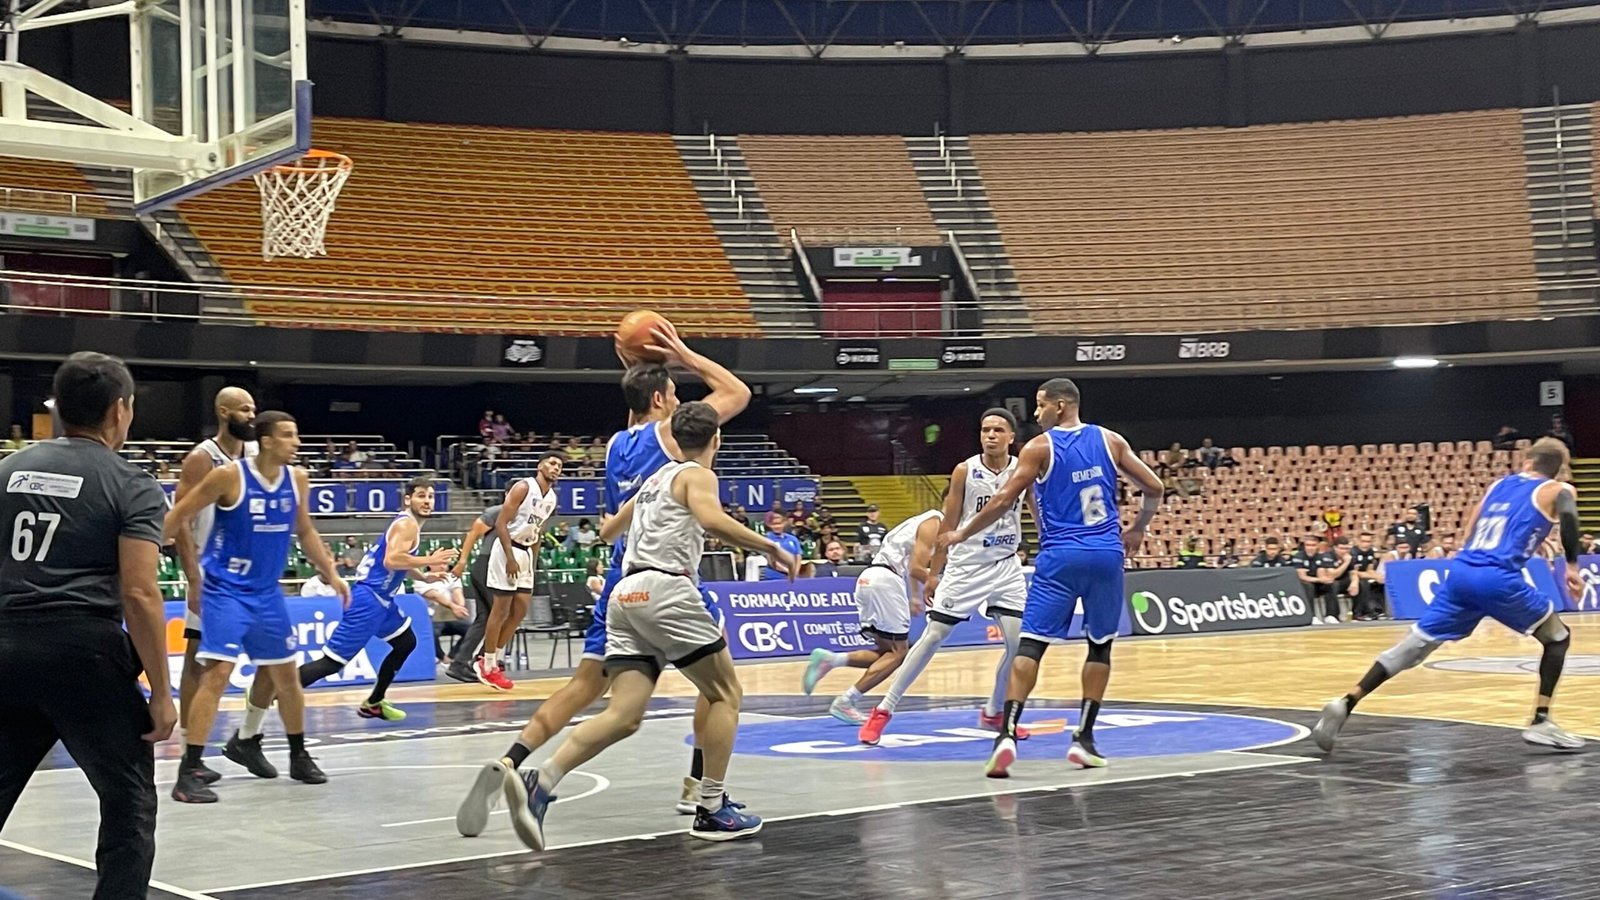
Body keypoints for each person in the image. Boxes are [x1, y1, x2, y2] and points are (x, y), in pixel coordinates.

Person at [455, 321, 752, 838]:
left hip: (621, 578)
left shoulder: (617, 443)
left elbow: (638, 415)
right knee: (719, 685)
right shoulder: (670, 435)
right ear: (663, 400)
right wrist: (681, 353)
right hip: (665, 574)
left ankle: (513, 761)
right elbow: (735, 393)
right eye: (674, 394)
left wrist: (637, 368)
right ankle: (704, 792)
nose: (681, 397)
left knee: (587, 688)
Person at [503, 402, 797, 850]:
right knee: (725, 694)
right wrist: (770, 547)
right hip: (665, 589)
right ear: (715, 440)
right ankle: (712, 808)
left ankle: (540, 781)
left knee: (624, 715)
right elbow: (713, 520)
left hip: (624, 595)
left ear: (674, 441)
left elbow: (608, 531)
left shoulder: (654, 479)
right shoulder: (698, 475)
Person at [0, 352, 174, 899]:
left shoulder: (6, 471)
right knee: (127, 802)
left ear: (57, 409)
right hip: (85, 654)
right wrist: (163, 692)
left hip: (6, 645)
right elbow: (140, 593)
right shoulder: (131, 484)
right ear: (121, 411)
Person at [936, 378, 1161, 777]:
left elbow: (1005, 499)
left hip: (1059, 557)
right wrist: (1138, 528)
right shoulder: (1111, 441)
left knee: (1031, 646)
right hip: (1106, 553)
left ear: (1060, 406)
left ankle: (1005, 735)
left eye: (1039, 406)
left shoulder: (1039, 447)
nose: (1035, 414)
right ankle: (1084, 739)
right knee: (1099, 647)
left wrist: (961, 533)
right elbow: (1154, 487)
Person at [1313, 438, 1585, 753]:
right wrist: (1573, 566)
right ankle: (1541, 720)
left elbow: (1473, 526)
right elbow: (1569, 516)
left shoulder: (1499, 486)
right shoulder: (1558, 490)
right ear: (1556, 469)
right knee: (1557, 637)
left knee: (1412, 647)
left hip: (1461, 571)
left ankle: (1346, 701)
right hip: (1497, 577)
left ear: (1527, 462)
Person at [164, 411, 349, 802]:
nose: (296, 443)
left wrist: (331, 572)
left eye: (296, 435)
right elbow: (180, 512)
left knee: (287, 677)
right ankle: (189, 770)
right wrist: (156, 558)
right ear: (266, 441)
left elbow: (306, 530)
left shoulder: (297, 480)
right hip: (225, 590)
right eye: (288, 435)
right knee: (217, 674)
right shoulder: (229, 476)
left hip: (266, 594)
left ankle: (299, 755)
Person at [857, 408, 1036, 745]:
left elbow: (1034, 509)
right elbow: (947, 524)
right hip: (967, 564)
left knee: (1018, 645)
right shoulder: (965, 471)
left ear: (1011, 437)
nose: (991, 436)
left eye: (998, 430)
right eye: (985, 430)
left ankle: (995, 712)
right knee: (932, 637)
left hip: (1006, 565)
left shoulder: (1023, 468)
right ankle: (883, 710)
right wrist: (935, 573)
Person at [170, 386, 274, 770]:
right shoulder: (202, 458)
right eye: (245, 409)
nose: (252, 414)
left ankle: (248, 738)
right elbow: (180, 520)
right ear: (224, 411)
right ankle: (189, 751)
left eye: (254, 408)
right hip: (212, 575)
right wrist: (193, 578)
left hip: (249, 576)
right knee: (198, 661)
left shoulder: (253, 456)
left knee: (276, 659)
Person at [293, 479, 458, 719]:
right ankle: (266, 692)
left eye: (431, 496)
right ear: (407, 499)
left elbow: (400, 561)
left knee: (406, 642)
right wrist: (426, 560)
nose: (427, 501)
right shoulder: (406, 525)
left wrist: (424, 576)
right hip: (369, 599)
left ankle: (374, 701)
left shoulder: (409, 525)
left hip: (382, 601)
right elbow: (392, 561)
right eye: (421, 495)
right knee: (331, 663)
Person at [802, 505, 942, 724]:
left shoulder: (919, 522)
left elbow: (913, 564)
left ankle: (831, 659)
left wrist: (914, 595)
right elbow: (916, 568)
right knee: (899, 653)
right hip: (886, 580)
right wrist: (946, 591)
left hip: (871, 577)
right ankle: (847, 701)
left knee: (887, 652)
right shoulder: (935, 522)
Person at [476, 453, 562, 691]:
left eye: (559, 466)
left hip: (525, 553)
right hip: (507, 549)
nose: (555, 467)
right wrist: (511, 558)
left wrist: (531, 563)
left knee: (521, 610)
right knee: (501, 609)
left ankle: (494, 658)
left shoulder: (551, 498)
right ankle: (487, 663)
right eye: (552, 463)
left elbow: (538, 532)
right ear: (540, 465)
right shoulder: (523, 487)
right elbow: (501, 523)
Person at [443, 503, 501, 683]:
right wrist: (462, 562)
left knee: (485, 619)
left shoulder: (523, 516)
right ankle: (484, 661)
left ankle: (459, 664)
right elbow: (473, 533)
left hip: (496, 567)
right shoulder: (497, 512)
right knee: (502, 616)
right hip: (487, 566)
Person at [413, 565, 471, 664]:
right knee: (432, 632)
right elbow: (435, 596)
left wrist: (461, 606)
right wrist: (453, 606)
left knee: (472, 629)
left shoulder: (452, 577)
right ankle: (442, 657)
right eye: (440, 563)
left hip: (450, 616)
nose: (443, 566)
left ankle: (455, 656)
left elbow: (457, 592)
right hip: (431, 617)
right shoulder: (421, 579)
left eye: (445, 563)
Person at [761, 515, 803, 580]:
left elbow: (798, 556)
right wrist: (788, 571)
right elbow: (771, 561)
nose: (777, 526)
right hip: (773, 577)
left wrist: (796, 572)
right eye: (774, 524)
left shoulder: (793, 538)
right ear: (770, 525)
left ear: (784, 524)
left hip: (793, 576)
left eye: (779, 524)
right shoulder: (767, 539)